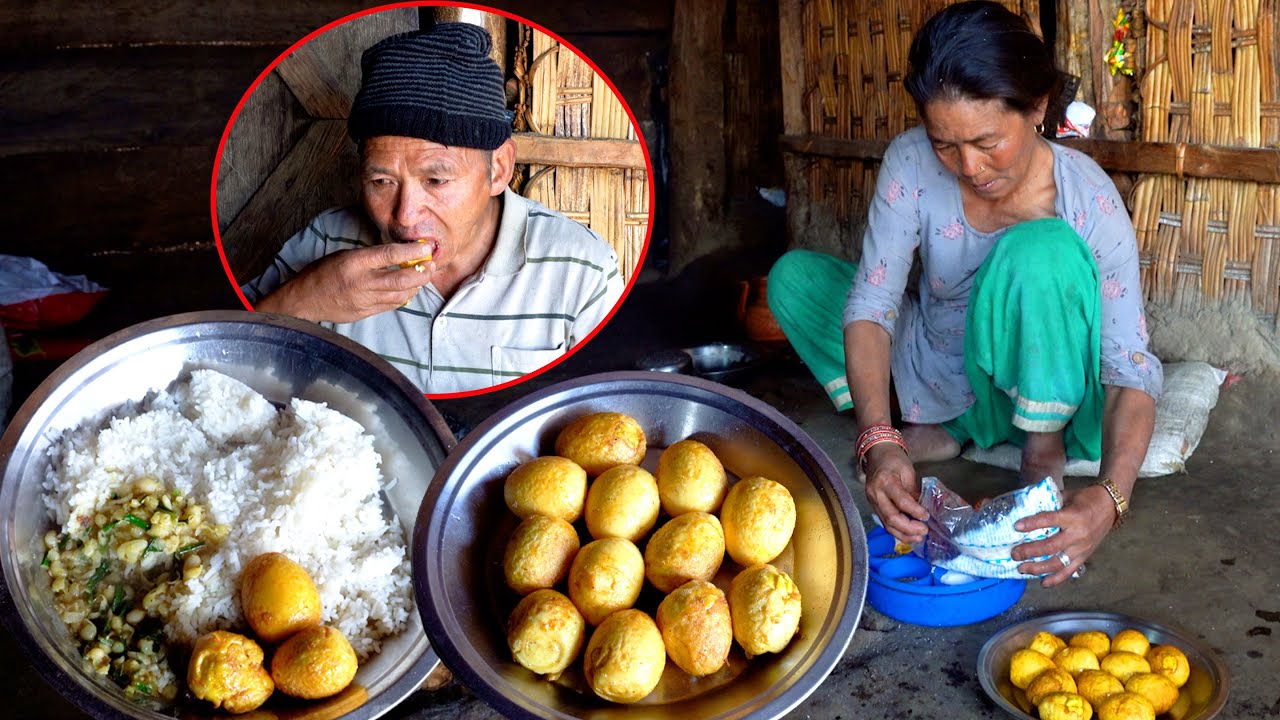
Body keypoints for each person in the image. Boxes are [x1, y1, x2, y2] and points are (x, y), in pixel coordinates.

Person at [767, 1, 1161, 587]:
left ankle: (1038, 446)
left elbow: (1131, 366)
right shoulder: (910, 161)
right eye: (945, 144)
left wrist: (1109, 497)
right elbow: (874, 304)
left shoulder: (1088, 200)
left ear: (1037, 109)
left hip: (1050, 384)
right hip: (947, 364)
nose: (968, 167)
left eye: (986, 141)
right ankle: (950, 426)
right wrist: (878, 439)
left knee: (1042, 250)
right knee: (794, 280)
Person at [241, 22, 625, 394]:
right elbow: (227, 362)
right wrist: (305, 298)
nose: (405, 216)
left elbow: (605, 415)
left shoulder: (583, 270)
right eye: (381, 182)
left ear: (499, 170)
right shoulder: (327, 240)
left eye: (436, 180)